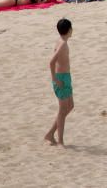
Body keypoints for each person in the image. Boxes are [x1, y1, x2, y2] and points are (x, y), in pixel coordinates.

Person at [45, 18, 74, 148]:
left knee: (70, 106)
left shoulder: (63, 42)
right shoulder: (62, 44)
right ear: (69, 30)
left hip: (66, 77)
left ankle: (50, 133)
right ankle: (60, 141)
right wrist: (55, 79)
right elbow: (51, 62)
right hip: (60, 79)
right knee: (62, 110)